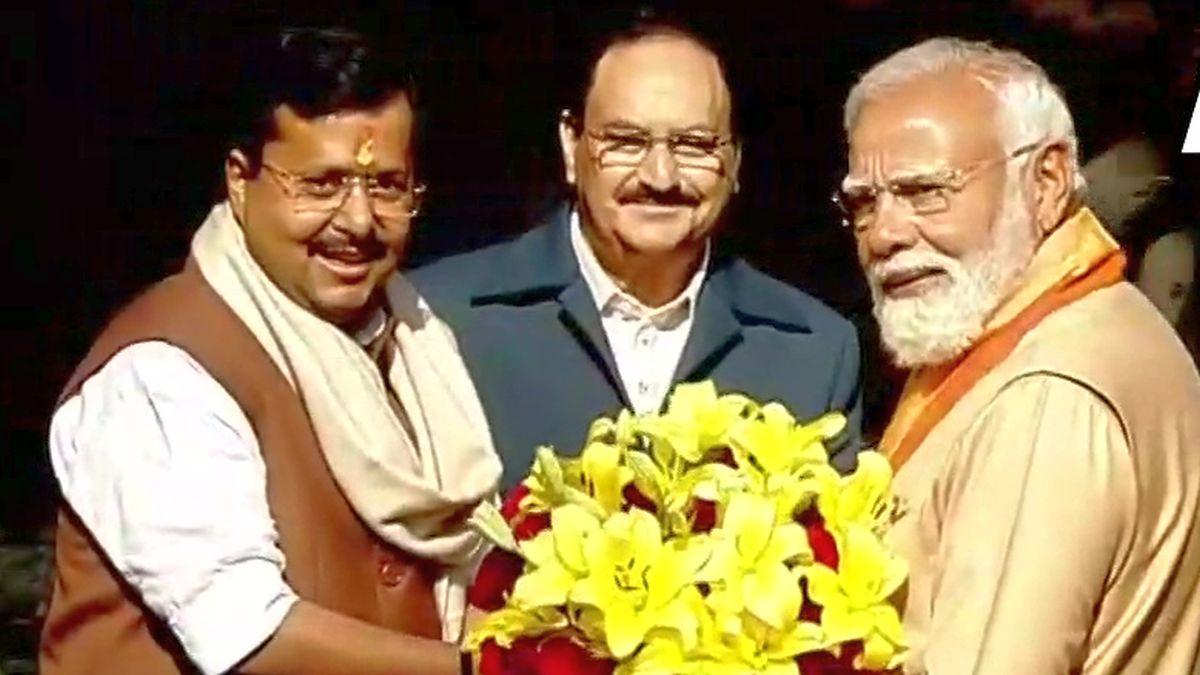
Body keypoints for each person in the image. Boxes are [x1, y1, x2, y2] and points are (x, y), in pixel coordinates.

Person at [43, 27, 499, 675]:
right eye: (321, 184)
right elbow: (247, 636)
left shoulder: (417, 344)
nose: (358, 220)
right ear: (240, 179)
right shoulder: (163, 370)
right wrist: (482, 669)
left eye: (388, 186)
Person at [838, 37, 1200, 673]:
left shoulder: (1045, 400)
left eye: (926, 191)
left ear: (1047, 181)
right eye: (864, 202)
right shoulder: (1092, 317)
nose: (885, 234)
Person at [411, 15, 863, 485]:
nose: (660, 176)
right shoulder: (437, 320)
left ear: (735, 162)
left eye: (694, 145)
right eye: (626, 141)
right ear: (571, 146)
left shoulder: (814, 352)